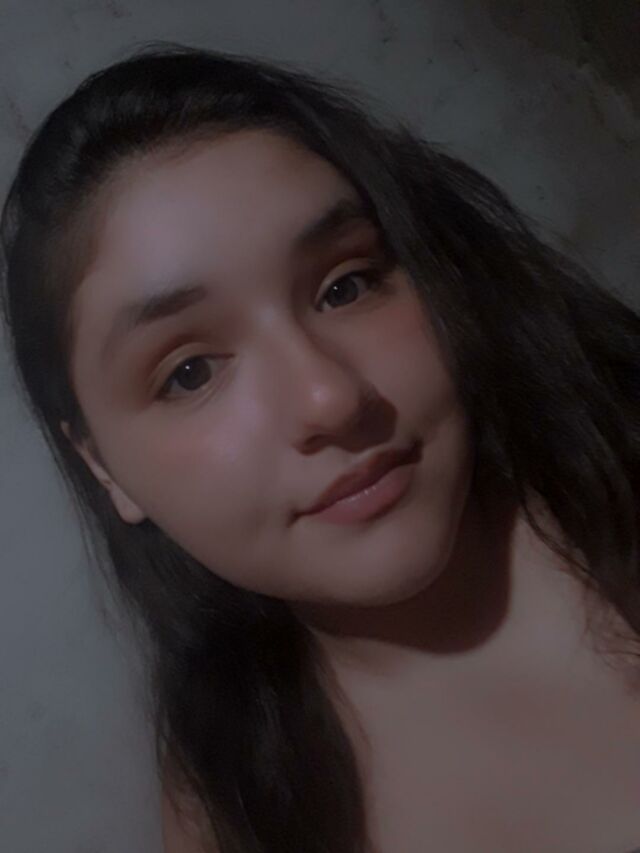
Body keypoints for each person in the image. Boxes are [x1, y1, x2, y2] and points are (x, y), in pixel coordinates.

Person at [1, 41, 639, 853]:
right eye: (190, 372)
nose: (329, 398)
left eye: (347, 286)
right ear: (102, 466)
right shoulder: (235, 797)